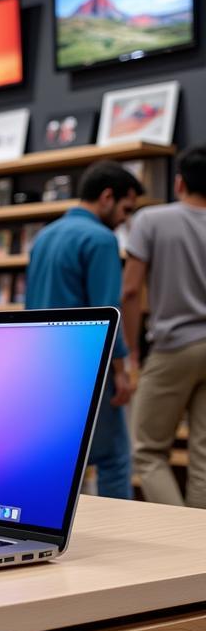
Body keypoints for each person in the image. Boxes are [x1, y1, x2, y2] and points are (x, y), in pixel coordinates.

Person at [26, 161, 142, 500]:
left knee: (58, 462)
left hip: (42, 364)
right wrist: (120, 371)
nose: (124, 218)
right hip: (86, 364)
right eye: (125, 208)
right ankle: (120, 540)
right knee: (114, 459)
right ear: (107, 197)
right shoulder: (101, 239)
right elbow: (108, 310)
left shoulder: (44, 236)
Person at [122, 144, 206, 509]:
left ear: (179, 182)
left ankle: (181, 539)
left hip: (172, 346)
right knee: (203, 456)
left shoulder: (151, 220)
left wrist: (133, 353)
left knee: (148, 452)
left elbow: (129, 289)